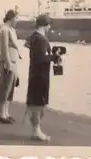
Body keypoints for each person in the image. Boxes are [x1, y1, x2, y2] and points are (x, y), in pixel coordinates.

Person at [25, 13, 62, 141]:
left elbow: (38, 56)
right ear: (45, 25)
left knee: (37, 103)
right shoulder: (41, 39)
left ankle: (35, 129)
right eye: (49, 24)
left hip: (35, 74)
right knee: (39, 104)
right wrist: (54, 57)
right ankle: (36, 130)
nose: (50, 27)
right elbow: (41, 58)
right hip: (40, 76)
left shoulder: (34, 37)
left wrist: (51, 54)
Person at [0, 9, 22, 124]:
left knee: (10, 88)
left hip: (13, 62)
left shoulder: (10, 30)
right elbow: (4, 49)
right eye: (16, 18)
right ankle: (1, 114)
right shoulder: (4, 30)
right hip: (7, 62)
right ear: (11, 18)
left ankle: (6, 113)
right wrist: (8, 64)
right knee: (5, 88)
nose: (17, 20)